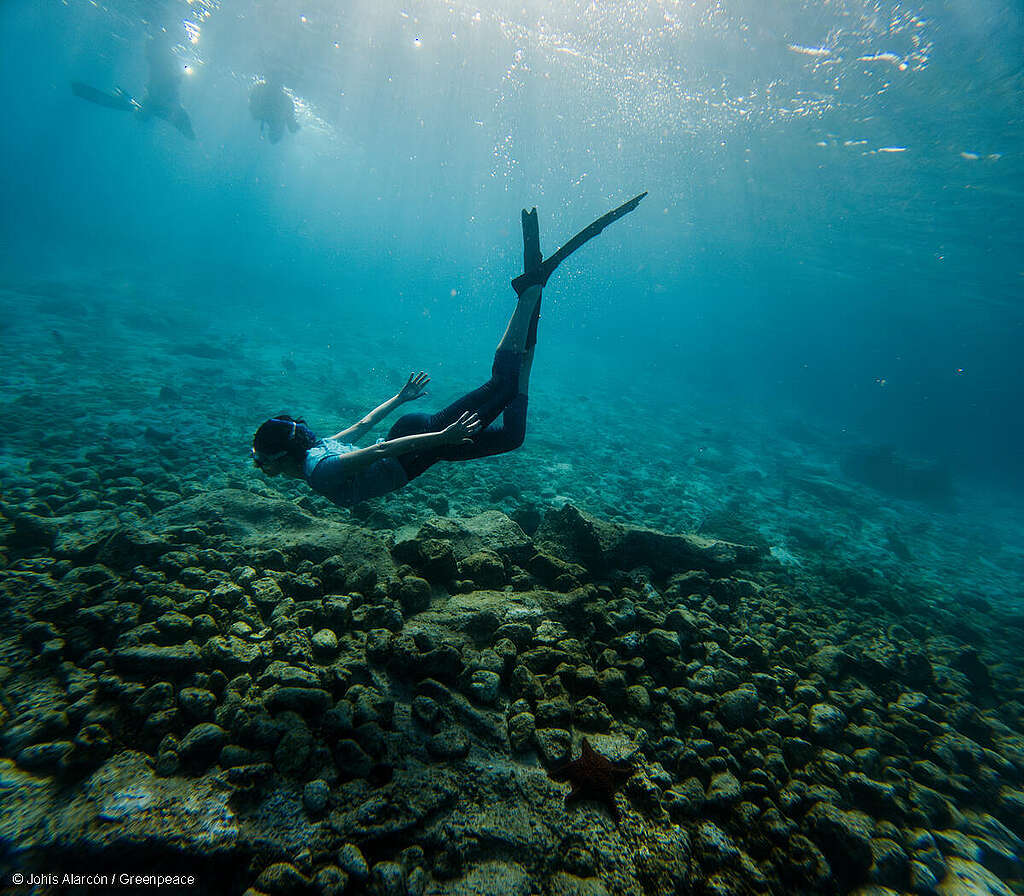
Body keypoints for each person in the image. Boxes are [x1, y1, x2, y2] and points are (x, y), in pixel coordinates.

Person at [251, 193, 647, 507]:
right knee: (512, 437)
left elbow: (384, 448)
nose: (267, 472)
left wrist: (443, 435)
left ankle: (527, 296)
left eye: (265, 466)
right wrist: (401, 398)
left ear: (282, 458)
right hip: (425, 447)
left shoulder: (319, 470)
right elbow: (362, 427)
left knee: (501, 385)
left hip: (423, 440)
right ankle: (524, 355)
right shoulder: (319, 452)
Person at [71, 36, 195, 140]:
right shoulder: (163, 71)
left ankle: (138, 106)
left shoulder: (163, 71)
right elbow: (186, 128)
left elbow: (186, 127)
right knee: (156, 94)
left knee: (155, 95)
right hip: (158, 100)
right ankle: (138, 107)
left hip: (158, 100)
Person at [249, 74, 300, 143]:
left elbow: (253, 106)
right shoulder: (287, 101)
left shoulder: (287, 101)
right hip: (274, 109)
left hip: (272, 107)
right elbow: (292, 126)